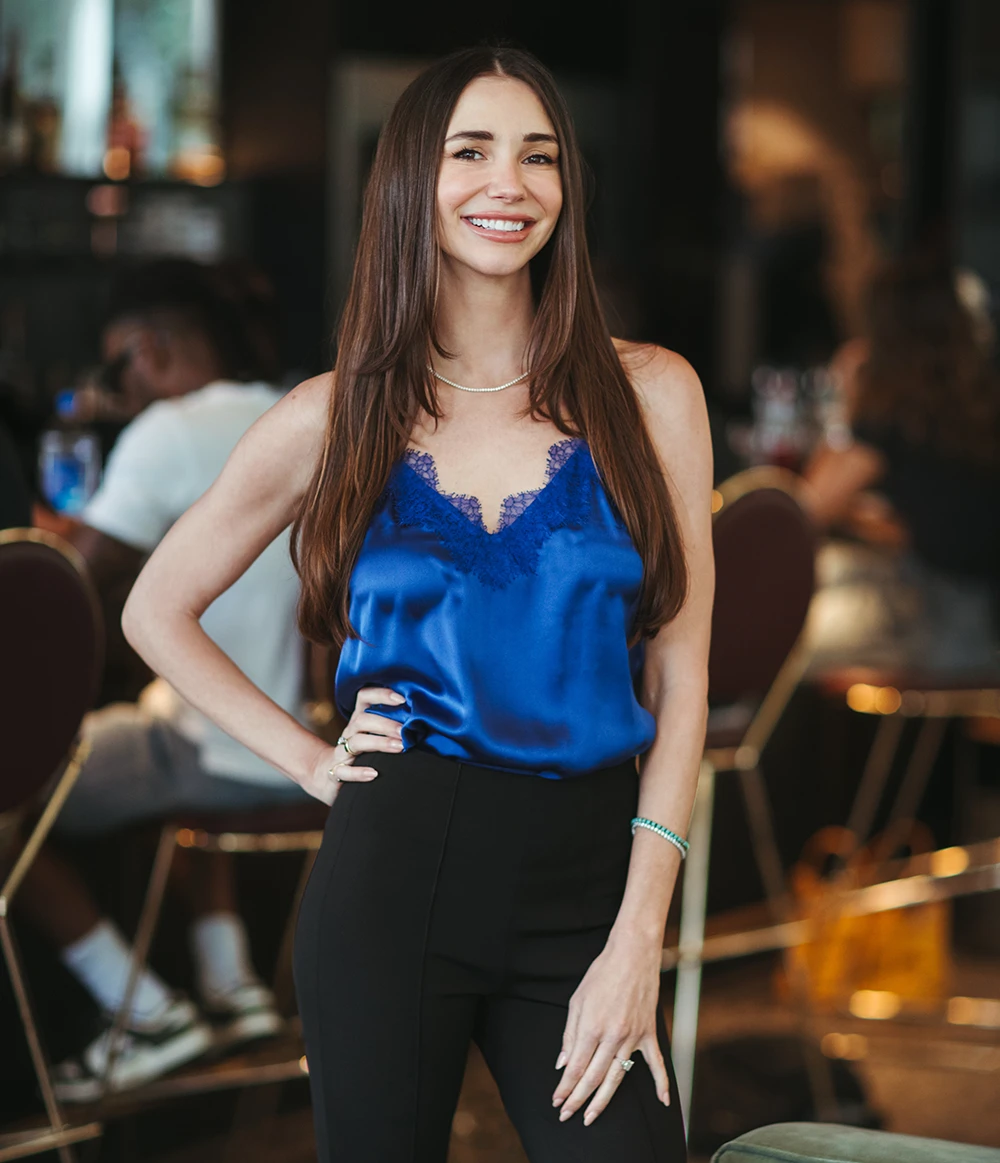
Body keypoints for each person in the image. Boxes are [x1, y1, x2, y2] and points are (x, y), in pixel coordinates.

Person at [120, 48, 713, 1161]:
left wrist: (641, 935)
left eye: (538, 156)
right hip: (395, 867)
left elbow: (682, 671)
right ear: (410, 181)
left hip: (591, 876)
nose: (511, 183)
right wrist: (304, 759)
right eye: (471, 152)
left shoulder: (653, 392)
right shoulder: (332, 413)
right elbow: (155, 607)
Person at [17, 261, 312, 1100]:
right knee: (163, 714)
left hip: (226, 752)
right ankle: (232, 983)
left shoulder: (168, 433)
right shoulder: (294, 413)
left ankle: (145, 1011)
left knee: (11, 797)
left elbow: (67, 585)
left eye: (117, 370)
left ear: (148, 349)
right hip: (310, 744)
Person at [803, 255, 1000, 674]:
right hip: (974, 616)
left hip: (941, 624)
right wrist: (867, 517)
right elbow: (927, 525)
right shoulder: (971, 408)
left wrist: (843, 402)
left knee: (775, 624)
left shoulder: (892, 414)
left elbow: (807, 508)